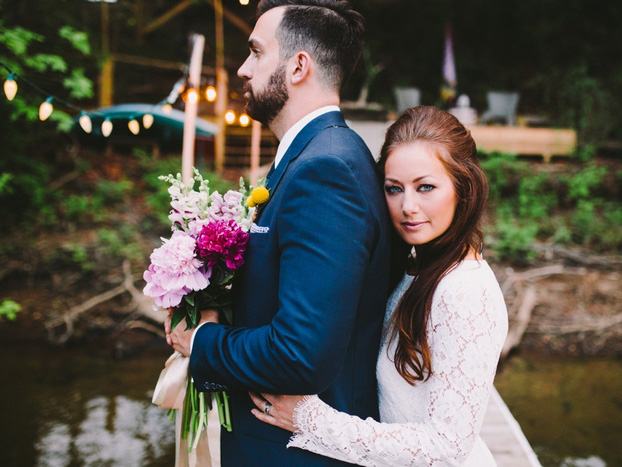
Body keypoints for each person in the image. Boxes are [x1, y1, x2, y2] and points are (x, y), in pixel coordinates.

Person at [166, 1, 391, 466]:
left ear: (298, 66)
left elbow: (301, 353)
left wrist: (202, 341)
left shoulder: (326, 170)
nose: (244, 69)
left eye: (255, 52)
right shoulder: (309, 158)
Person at [248, 106, 509, 466]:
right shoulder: (417, 267)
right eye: (393, 189)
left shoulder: (466, 291)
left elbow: (447, 447)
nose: (408, 207)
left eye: (426, 187)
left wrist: (311, 420)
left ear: (464, 187)